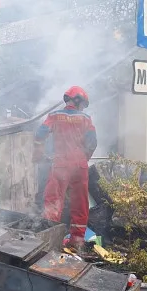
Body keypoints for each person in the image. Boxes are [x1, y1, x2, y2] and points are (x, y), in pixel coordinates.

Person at [33, 86, 97, 250]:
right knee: (80, 203)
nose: (82, 108)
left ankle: (49, 242)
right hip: (80, 165)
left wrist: (38, 152)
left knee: (53, 201)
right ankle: (77, 241)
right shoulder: (86, 119)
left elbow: (40, 134)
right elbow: (92, 143)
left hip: (61, 164)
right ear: (78, 100)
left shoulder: (55, 116)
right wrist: (83, 159)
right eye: (82, 104)